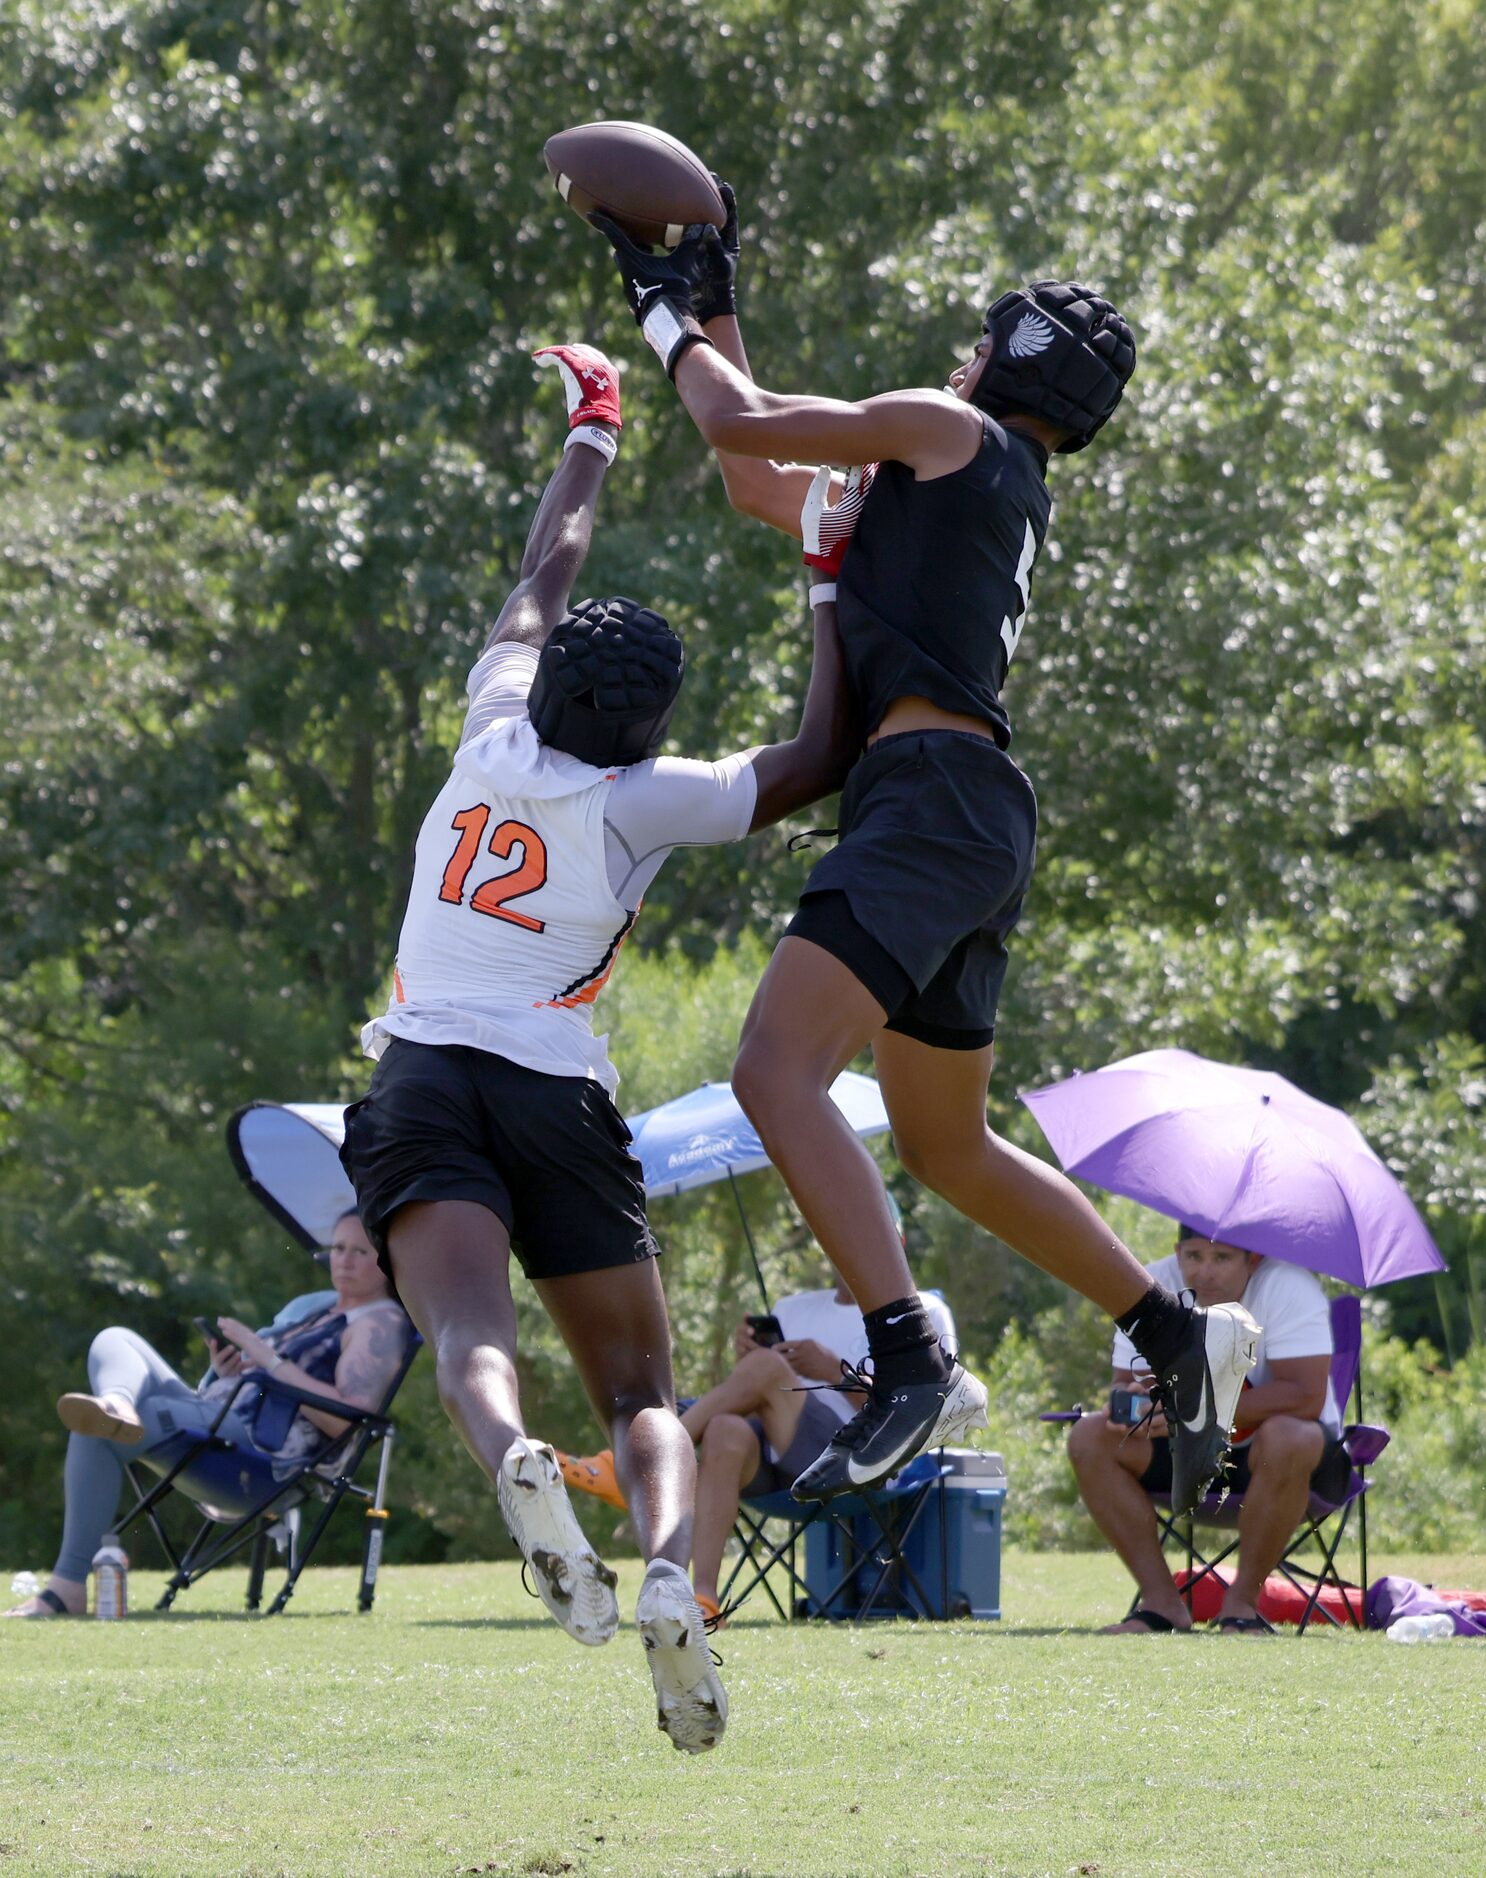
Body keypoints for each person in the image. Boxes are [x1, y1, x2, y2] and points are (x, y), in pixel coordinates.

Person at [590, 194, 1259, 1514]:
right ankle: (1172, 1328)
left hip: (929, 797)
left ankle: (906, 1350)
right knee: (946, 1146)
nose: (960, 347)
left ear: (1012, 362)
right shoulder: (956, 486)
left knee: (771, 1070)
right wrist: (711, 287)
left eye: (982, 335)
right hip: (961, 806)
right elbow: (748, 471)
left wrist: (657, 304)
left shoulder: (946, 430)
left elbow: (733, 417)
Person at [337, 343, 860, 1753]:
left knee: (465, 1337)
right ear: (647, 724)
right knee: (638, 1390)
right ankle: (673, 1577)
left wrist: (594, 426)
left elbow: (543, 571)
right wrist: (824, 570)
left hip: (423, 1073)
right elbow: (815, 757)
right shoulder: (644, 800)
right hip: (555, 1088)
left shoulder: (488, 723)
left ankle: (513, 1453)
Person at [4, 1208, 409, 1619]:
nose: (344, 1259)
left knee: (106, 1425)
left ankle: (66, 1587)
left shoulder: (380, 1324)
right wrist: (228, 1368)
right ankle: (118, 1403)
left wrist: (265, 1359)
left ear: (388, 1261)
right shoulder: (315, 1309)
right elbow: (264, 1374)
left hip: (259, 1458)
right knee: (115, 1341)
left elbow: (347, 1419)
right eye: (339, 1247)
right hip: (215, 1418)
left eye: (361, 1251)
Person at [560, 1263, 956, 1626]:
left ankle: (638, 1466)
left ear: (897, 1245)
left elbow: (926, 1409)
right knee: (726, 1430)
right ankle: (704, 1600)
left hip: (862, 1458)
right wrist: (745, 1362)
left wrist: (834, 1369)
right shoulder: (794, 1308)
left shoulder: (922, 1314)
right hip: (780, 1458)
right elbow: (750, 1392)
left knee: (766, 1370)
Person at [1068, 1226, 1347, 1634]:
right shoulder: (1149, 1284)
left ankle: (1242, 1606)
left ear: (1252, 1260)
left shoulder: (1287, 1285)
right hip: (1184, 1452)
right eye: (1194, 1257)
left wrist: (1200, 1407)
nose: (1204, 1273)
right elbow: (1124, 1383)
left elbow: (1305, 1397)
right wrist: (1138, 1402)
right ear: (1177, 1252)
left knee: (1290, 1436)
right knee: (1090, 1436)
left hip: (1284, 1464)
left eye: (1221, 1258)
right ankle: (1162, 1605)